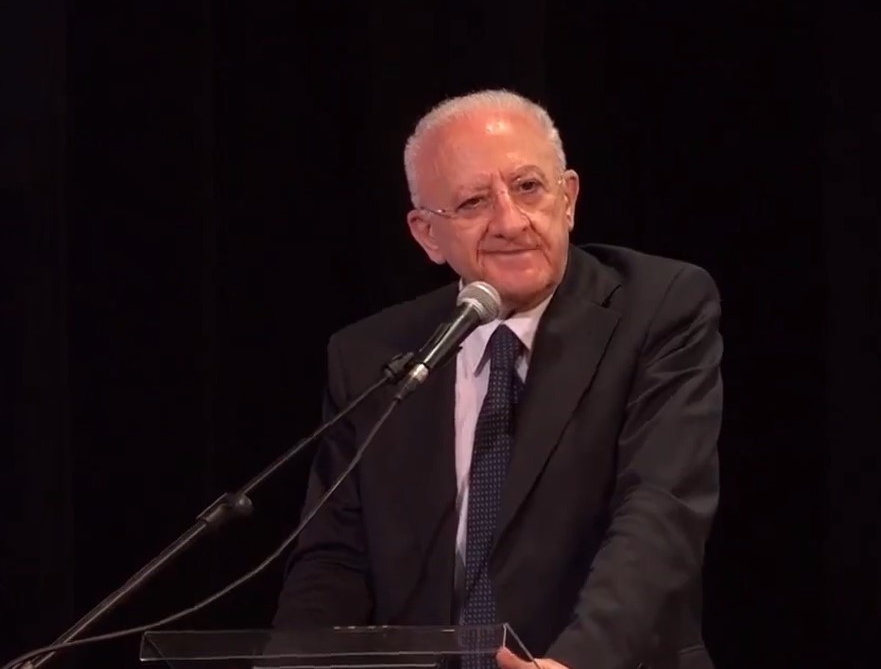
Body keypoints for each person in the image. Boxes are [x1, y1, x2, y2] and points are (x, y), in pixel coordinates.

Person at [271, 89, 723, 669]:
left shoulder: (659, 308)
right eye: (473, 202)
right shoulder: (371, 356)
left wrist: (576, 662)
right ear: (427, 234)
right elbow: (334, 560)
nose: (510, 222)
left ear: (568, 199)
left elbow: (659, 509)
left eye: (528, 187)